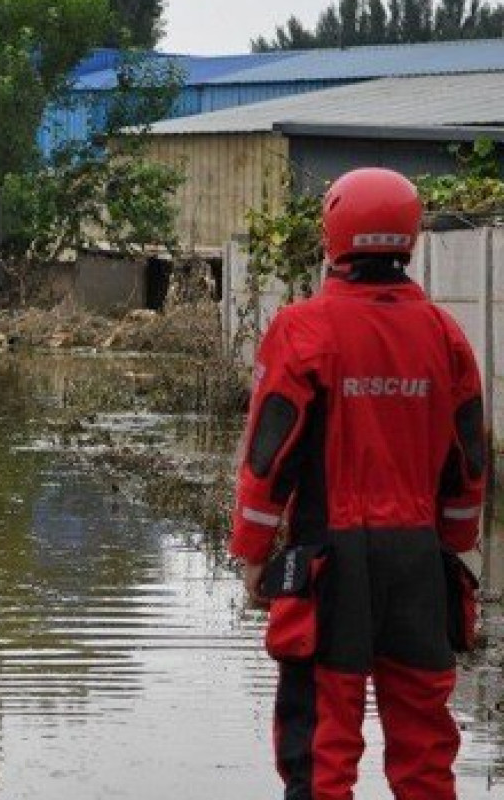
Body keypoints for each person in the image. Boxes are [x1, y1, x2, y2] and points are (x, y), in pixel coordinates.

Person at [230, 167, 486, 800]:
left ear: (332, 233)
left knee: (322, 755)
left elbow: (268, 460)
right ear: (411, 237)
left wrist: (252, 555)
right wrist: (451, 541)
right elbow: (470, 461)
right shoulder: (445, 336)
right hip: (419, 566)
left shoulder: (302, 330)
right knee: (427, 758)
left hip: (332, 566)